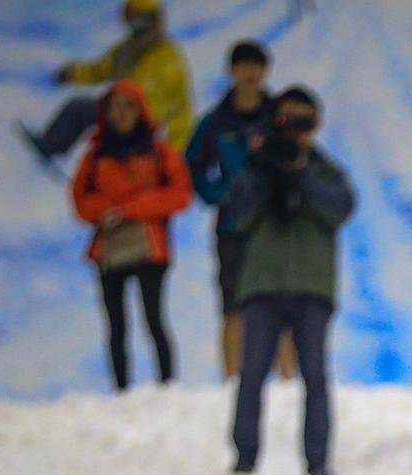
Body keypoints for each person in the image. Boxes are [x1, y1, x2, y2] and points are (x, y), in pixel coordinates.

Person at [220, 86, 352, 475]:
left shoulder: (326, 170)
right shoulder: (255, 169)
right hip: (263, 285)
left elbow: (341, 207)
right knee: (252, 372)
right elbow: (238, 218)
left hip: (312, 287)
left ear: (316, 125)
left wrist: (300, 175)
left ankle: (318, 462)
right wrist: (265, 170)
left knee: (314, 374)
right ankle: (244, 459)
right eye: (286, 120)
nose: (294, 130)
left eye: (303, 121)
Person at [70, 79, 191, 391]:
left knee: (154, 318)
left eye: (128, 106)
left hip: (150, 247)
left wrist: (132, 209)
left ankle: (168, 386)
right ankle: (121, 389)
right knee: (116, 324)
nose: (121, 114)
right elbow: (80, 200)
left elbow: (179, 195)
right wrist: (105, 210)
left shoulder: (159, 152)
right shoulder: (95, 155)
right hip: (109, 248)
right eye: (115, 108)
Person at [186, 39, 293, 381]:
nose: (251, 72)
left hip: (275, 225)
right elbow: (192, 167)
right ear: (231, 71)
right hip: (233, 228)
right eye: (244, 65)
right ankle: (231, 383)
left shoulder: (281, 118)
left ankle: (288, 382)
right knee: (234, 307)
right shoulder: (216, 122)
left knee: (283, 306)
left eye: (257, 65)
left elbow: (301, 159)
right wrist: (220, 194)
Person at [23, 0, 194, 167]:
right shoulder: (126, 50)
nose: (139, 27)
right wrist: (72, 73)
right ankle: (52, 145)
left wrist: (173, 155)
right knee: (78, 108)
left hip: (145, 125)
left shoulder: (169, 59)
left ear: (156, 21)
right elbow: (98, 70)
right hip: (118, 112)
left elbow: (181, 109)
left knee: (118, 152)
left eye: (143, 21)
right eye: (133, 20)